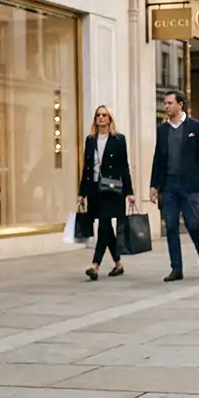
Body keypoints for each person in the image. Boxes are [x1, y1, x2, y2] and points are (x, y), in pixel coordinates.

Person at [149, 89, 199, 282]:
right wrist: (154, 186)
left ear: (180, 104)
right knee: (170, 226)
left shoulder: (195, 127)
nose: (166, 106)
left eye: (169, 103)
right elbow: (158, 159)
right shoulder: (162, 130)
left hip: (190, 186)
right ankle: (176, 268)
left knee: (192, 223)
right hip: (169, 185)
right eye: (165, 103)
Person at [78, 105, 134, 281]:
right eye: (98, 115)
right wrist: (82, 192)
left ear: (110, 119)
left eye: (104, 115)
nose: (101, 118)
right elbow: (86, 169)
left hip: (112, 189)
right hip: (95, 189)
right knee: (106, 227)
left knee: (103, 225)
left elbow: (124, 167)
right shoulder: (90, 140)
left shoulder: (118, 139)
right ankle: (118, 263)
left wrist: (129, 192)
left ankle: (95, 265)